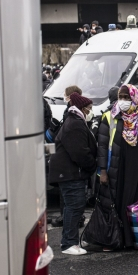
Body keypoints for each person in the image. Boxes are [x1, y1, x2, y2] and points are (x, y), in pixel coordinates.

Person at [97, 84, 138, 248]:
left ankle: (136, 237)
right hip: (116, 167)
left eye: (126, 97)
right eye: (120, 97)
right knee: (118, 201)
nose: (122, 101)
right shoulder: (110, 116)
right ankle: (120, 239)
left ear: (135, 98)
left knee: (136, 202)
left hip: (137, 167)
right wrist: (102, 170)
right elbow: (102, 146)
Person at [48, 92, 97, 255]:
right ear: (82, 108)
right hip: (71, 173)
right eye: (89, 109)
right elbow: (80, 152)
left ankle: (71, 240)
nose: (90, 112)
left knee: (72, 206)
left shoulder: (73, 121)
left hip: (69, 172)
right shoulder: (75, 123)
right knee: (74, 206)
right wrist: (92, 165)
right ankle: (69, 243)